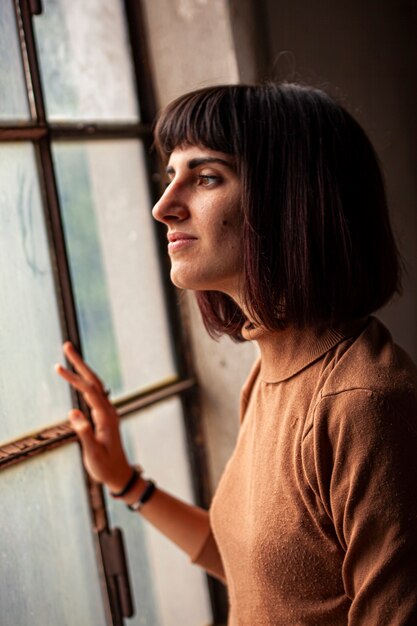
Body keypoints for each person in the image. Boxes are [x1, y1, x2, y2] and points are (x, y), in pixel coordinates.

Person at [56, 83, 417, 625]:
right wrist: (126, 481)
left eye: (205, 178)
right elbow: (262, 573)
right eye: (170, 176)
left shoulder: (362, 404)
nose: (163, 207)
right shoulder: (272, 369)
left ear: (288, 200)